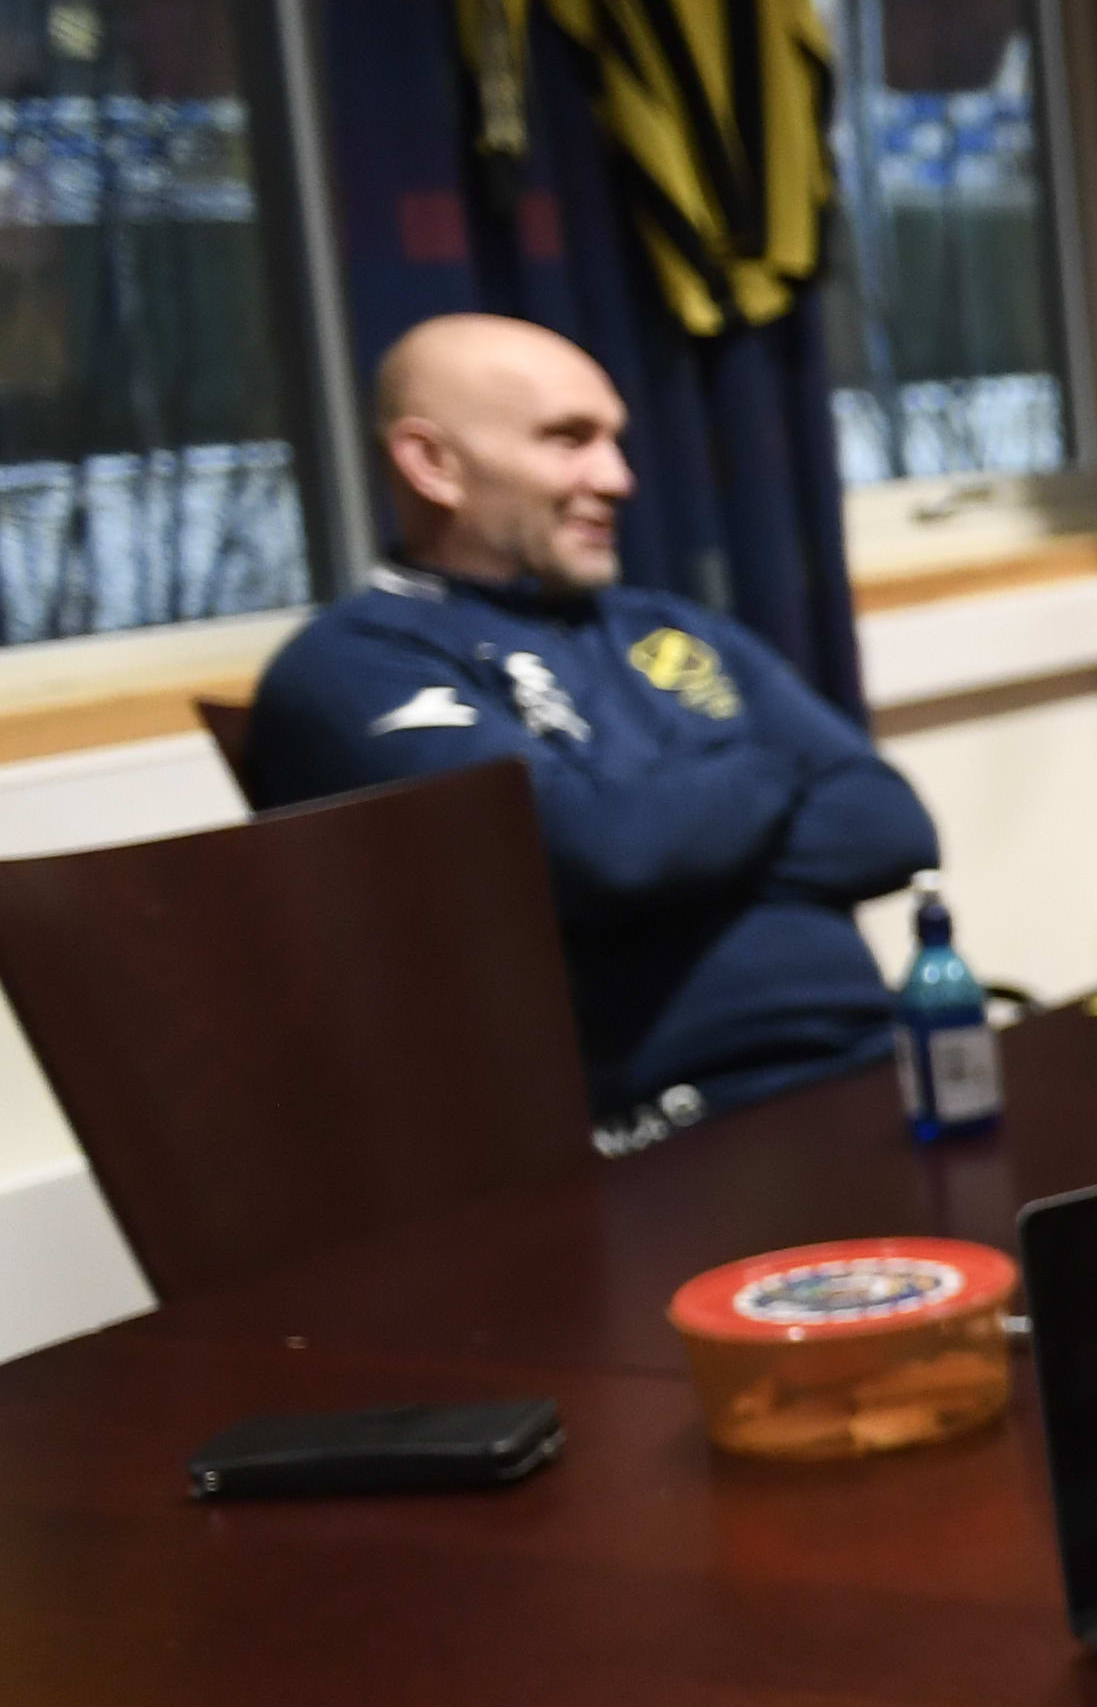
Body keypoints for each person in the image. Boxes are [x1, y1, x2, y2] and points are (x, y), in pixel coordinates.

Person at [249, 313, 935, 1141]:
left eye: (616, 440)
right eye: (568, 439)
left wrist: (659, 853)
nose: (618, 478)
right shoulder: (356, 662)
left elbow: (888, 823)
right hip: (653, 1136)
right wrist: (771, 770)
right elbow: (602, 854)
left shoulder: (669, 625)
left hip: (877, 1063)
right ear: (433, 464)